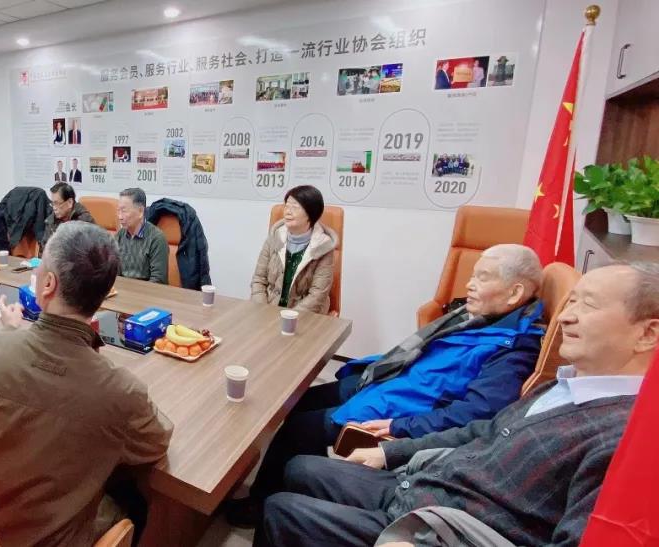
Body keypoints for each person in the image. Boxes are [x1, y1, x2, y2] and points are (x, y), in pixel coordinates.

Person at [257, 263, 659, 547]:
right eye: (570, 303)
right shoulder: (563, 384)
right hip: (428, 484)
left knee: (283, 509)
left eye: (588, 306)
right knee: (300, 466)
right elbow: (483, 431)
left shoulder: (625, 439)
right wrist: (392, 451)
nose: (566, 318)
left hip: (443, 528)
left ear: (647, 334)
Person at [228, 244, 546, 527]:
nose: (469, 284)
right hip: (391, 383)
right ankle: (293, 481)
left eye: (483, 278)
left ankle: (262, 502)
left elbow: (472, 417)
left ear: (515, 293)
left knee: (298, 429)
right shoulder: (479, 318)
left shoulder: (514, 350)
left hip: (398, 410)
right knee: (301, 399)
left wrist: (400, 427)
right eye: (473, 275)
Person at [0, 221, 172, 546]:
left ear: (48, 284)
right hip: (50, 538)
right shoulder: (121, 391)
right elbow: (156, 441)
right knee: (134, 498)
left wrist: (10, 334)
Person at [250, 186, 337, 314]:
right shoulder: (274, 237)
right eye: (287, 206)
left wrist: (288, 317)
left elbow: (318, 295)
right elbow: (258, 280)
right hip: (270, 310)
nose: (288, 212)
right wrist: (263, 310)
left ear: (311, 213)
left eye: (295, 207)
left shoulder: (323, 246)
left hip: (306, 315)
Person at [116, 187, 168, 285]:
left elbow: (158, 280)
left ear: (140, 211)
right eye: (118, 211)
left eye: (124, 211)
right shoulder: (120, 235)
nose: (120, 217)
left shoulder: (157, 238)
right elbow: (115, 272)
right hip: (123, 290)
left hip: (147, 291)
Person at [41, 182, 95, 252]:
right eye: (53, 203)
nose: (54, 208)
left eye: (57, 203)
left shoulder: (84, 222)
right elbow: (45, 247)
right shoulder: (51, 221)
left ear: (70, 202)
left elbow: (86, 251)